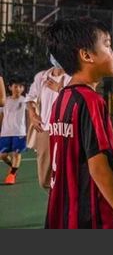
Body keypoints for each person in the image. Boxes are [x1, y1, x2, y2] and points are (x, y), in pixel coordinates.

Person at [43, 17, 113, 229]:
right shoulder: (91, 101)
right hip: (90, 217)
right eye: (107, 45)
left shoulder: (62, 99)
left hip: (62, 214)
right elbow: (98, 167)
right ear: (86, 55)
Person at [26, 59, 71, 190]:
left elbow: (77, 100)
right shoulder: (41, 76)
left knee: (67, 174)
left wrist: (60, 89)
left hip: (66, 131)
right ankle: (59, 205)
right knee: (45, 179)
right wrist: (32, 115)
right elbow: (30, 98)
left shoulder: (73, 77)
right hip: (45, 130)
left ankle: (67, 207)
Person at [0, 78, 27, 185]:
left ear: (23, 88)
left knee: (16, 153)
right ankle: (13, 167)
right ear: (10, 87)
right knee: (2, 155)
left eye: (20, 87)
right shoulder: (4, 101)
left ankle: (12, 175)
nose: (18, 89)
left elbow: (34, 109)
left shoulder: (25, 100)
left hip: (19, 132)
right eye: (15, 86)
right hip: (5, 132)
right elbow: (1, 116)